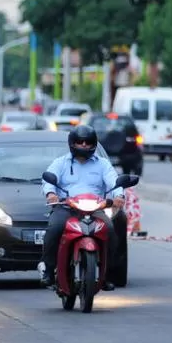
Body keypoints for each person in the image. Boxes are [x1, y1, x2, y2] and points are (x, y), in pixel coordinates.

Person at [40, 124, 124, 290]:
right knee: (54, 228)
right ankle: (49, 270)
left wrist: (119, 196)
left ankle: (105, 274)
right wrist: (51, 194)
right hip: (66, 207)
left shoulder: (103, 164)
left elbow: (114, 181)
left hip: (95, 208)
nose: (84, 145)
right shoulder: (61, 163)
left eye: (88, 142)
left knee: (110, 230)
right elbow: (48, 179)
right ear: (72, 143)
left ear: (94, 144)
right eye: (80, 142)